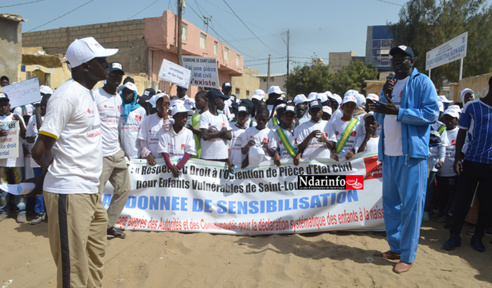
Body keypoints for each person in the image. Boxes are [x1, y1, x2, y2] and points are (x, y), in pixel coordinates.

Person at [31, 37, 117, 287]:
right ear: (85, 67)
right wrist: (56, 172)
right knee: (74, 270)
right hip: (70, 192)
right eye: (101, 60)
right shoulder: (66, 96)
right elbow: (39, 150)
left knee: (93, 260)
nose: (107, 64)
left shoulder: (87, 94)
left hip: (90, 191)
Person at [368, 45, 439, 273]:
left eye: (402, 58)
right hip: (389, 153)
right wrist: (383, 99)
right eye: (394, 59)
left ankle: (407, 256)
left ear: (412, 60)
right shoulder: (389, 84)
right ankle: (396, 247)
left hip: (411, 155)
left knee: (411, 207)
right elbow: (381, 114)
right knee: (391, 204)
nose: (397, 62)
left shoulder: (422, 83)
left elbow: (431, 114)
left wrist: (398, 112)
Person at [443, 76, 492, 253]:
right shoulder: (473, 107)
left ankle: (477, 237)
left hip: (490, 166)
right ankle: (454, 235)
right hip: (471, 161)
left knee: (486, 204)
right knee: (462, 201)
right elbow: (461, 133)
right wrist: (458, 159)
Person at [93, 61, 131, 239]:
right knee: (96, 195)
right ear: (107, 74)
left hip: (116, 152)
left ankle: (108, 225)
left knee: (124, 189)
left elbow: (115, 127)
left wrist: (122, 148)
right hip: (100, 154)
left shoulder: (118, 98)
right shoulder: (95, 95)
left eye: (119, 75)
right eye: (114, 74)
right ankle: (93, 229)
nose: (117, 78)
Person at [25, 88, 52, 225]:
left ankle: (49, 212)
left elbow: (43, 132)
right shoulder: (32, 119)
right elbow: (29, 136)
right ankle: (39, 211)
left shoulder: (52, 118)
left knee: (49, 185)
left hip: (48, 159)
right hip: (36, 159)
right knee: (38, 184)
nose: (42, 107)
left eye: (45, 105)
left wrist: (37, 114)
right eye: (41, 104)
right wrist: (31, 139)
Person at [0, 92, 27, 223]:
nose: (3, 107)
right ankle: (3, 210)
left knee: (19, 184)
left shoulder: (16, 117)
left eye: (5, 104)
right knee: (2, 186)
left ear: (9, 105)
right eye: (0, 105)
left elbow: (24, 135)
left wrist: (20, 123)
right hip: (1, 160)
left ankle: (21, 211)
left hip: (17, 158)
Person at [435, 107, 460, 224]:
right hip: (440, 170)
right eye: (446, 118)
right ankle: (440, 211)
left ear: (457, 119)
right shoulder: (441, 130)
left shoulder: (460, 132)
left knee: (451, 194)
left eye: (452, 118)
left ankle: (448, 214)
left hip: (453, 171)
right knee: (441, 192)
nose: (449, 121)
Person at [199, 88, 233, 173]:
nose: (224, 104)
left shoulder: (223, 117)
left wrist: (213, 132)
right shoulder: (205, 116)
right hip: (207, 157)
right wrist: (222, 132)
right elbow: (205, 136)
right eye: (223, 100)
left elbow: (229, 136)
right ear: (217, 101)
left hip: (222, 158)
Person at [158, 103, 196, 178]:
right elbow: (163, 151)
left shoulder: (188, 133)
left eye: (186, 117)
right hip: (167, 169)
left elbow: (189, 152)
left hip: (182, 170)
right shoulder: (164, 132)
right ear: (174, 117)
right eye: (182, 117)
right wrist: (171, 167)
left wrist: (178, 167)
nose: (185, 119)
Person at [294, 100, 337, 165]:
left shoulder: (328, 125)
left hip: (325, 163)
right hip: (308, 163)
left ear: (322, 111)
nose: (316, 112)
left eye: (318, 110)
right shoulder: (303, 126)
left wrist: (325, 140)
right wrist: (310, 136)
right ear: (309, 112)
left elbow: (333, 146)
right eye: (313, 110)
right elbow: (300, 147)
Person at [138, 92, 171, 165]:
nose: (163, 105)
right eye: (161, 103)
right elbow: (142, 141)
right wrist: (148, 154)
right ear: (156, 105)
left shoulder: (172, 121)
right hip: (150, 161)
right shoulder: (147, 120)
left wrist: (165, 114)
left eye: (166, 103)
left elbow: (167, 129)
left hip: (167, 162)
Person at [119, 82, 147, 160]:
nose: (126, 95)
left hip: (136, 154)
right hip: (121, 154)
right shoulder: (119, 108)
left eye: (129, 93)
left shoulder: (141, 111)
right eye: (124, 92)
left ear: (134, 94)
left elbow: (143, 133)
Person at [331, 95, 363, 161]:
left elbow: (359, 141)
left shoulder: (358, 124)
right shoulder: (335, 123)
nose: (349, 109)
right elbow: (332, 141)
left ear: (355, 109)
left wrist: (353, 152)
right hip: (337, 158)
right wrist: (333, 153)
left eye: (352, 107)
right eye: (347, 106)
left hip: (352, 159)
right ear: (342, 107)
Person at [229, 103, 250, 167]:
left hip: (244, 165)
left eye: (244, 115)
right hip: (231, 163)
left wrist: (247, 160)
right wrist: (229, 162)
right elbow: (227, 147)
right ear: (235, 116)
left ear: (247, 117)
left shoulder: (249, 131)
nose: (241, 117)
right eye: (239, 115)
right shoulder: (231, 128)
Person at [188, 90, 207, 159]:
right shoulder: (194, 115)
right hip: (194, 147)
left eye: (198, 101)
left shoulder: (210, 116)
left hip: (204, 149)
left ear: (206, 100)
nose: (195, 103)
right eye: (195, 101)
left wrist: (194, 131)